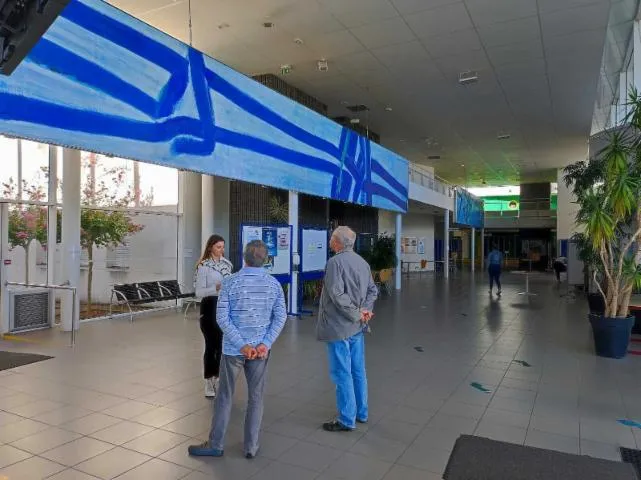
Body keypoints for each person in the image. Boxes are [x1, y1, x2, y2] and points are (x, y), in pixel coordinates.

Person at [188, 240, 287, 459]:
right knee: (256, 398)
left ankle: (215, 444)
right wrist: (265, 344)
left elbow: (222, 317)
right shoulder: (273, 285)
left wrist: (242, 345)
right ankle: (251, 446)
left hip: (234, 351)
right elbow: (280, 316)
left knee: (224, 396)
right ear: (266, 259)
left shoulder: (230, 282)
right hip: (260, 352)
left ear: (244, 257)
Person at [317, 226, 378, 432]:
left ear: (338, 243)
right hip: (357, 327)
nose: (329, 241)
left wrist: (357, 313)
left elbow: (336, 295)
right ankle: (362, 412)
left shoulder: (334, 263)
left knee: (342, 372)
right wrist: (365, 311)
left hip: (339, 327)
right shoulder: (362, 262)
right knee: (358, 370)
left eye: (332, 238)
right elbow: (372, 290)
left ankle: (346, 418)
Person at [194, 234, 233, 397]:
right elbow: (198, 292)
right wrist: (215, 288)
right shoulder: (203, 266)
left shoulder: (227, 264)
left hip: (224, 307)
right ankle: (209, 380)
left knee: (221, 345)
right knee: (211, 345)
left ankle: (217, 377)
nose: (221, 250)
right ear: (211, 247)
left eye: (223, 247)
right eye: (218, 247)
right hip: (209, 307)